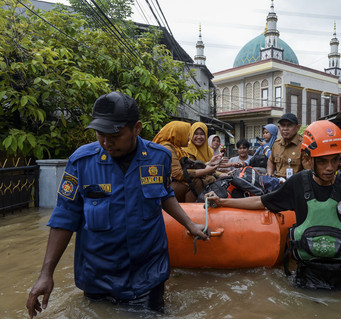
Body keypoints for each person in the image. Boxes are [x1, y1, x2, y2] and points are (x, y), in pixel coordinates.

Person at [26, 92, 210, 318]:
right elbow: (65, 217)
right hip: (97, 276)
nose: (106, 141)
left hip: (147, 274)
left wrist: (190, 225)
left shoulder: (158, 157)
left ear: (137, 128)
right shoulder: (81, 162)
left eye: (115, 134)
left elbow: (164, 195)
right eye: (100, 134)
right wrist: (47, 273)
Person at [205, 120, 341, 290]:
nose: (330, 167)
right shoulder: (298, 183)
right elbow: (262, 201)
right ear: (308, 160)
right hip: (309, 274)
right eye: (322, 161)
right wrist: (223, 201)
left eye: (334, 160)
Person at [152, 121, 220, 202]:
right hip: (162, 186)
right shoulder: (168, 148)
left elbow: (187, 166)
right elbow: (178, 173)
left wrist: (208, 164)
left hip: (170, 183)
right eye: (188, 135)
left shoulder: (177, 148)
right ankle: (190, 211)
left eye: (202, 134)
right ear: (179, 134)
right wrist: (205, 171)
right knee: (196, 182)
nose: (189, 138)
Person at [267, 113, 308, 179]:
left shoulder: (303, 145)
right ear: (279, 128)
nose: (285, 128)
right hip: (278, 184)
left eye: (289, 125)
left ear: (298, 128)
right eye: (283, 125)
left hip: (296, 185)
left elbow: (308, 171)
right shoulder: (276, 144)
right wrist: (269, 175)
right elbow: (271, 161)